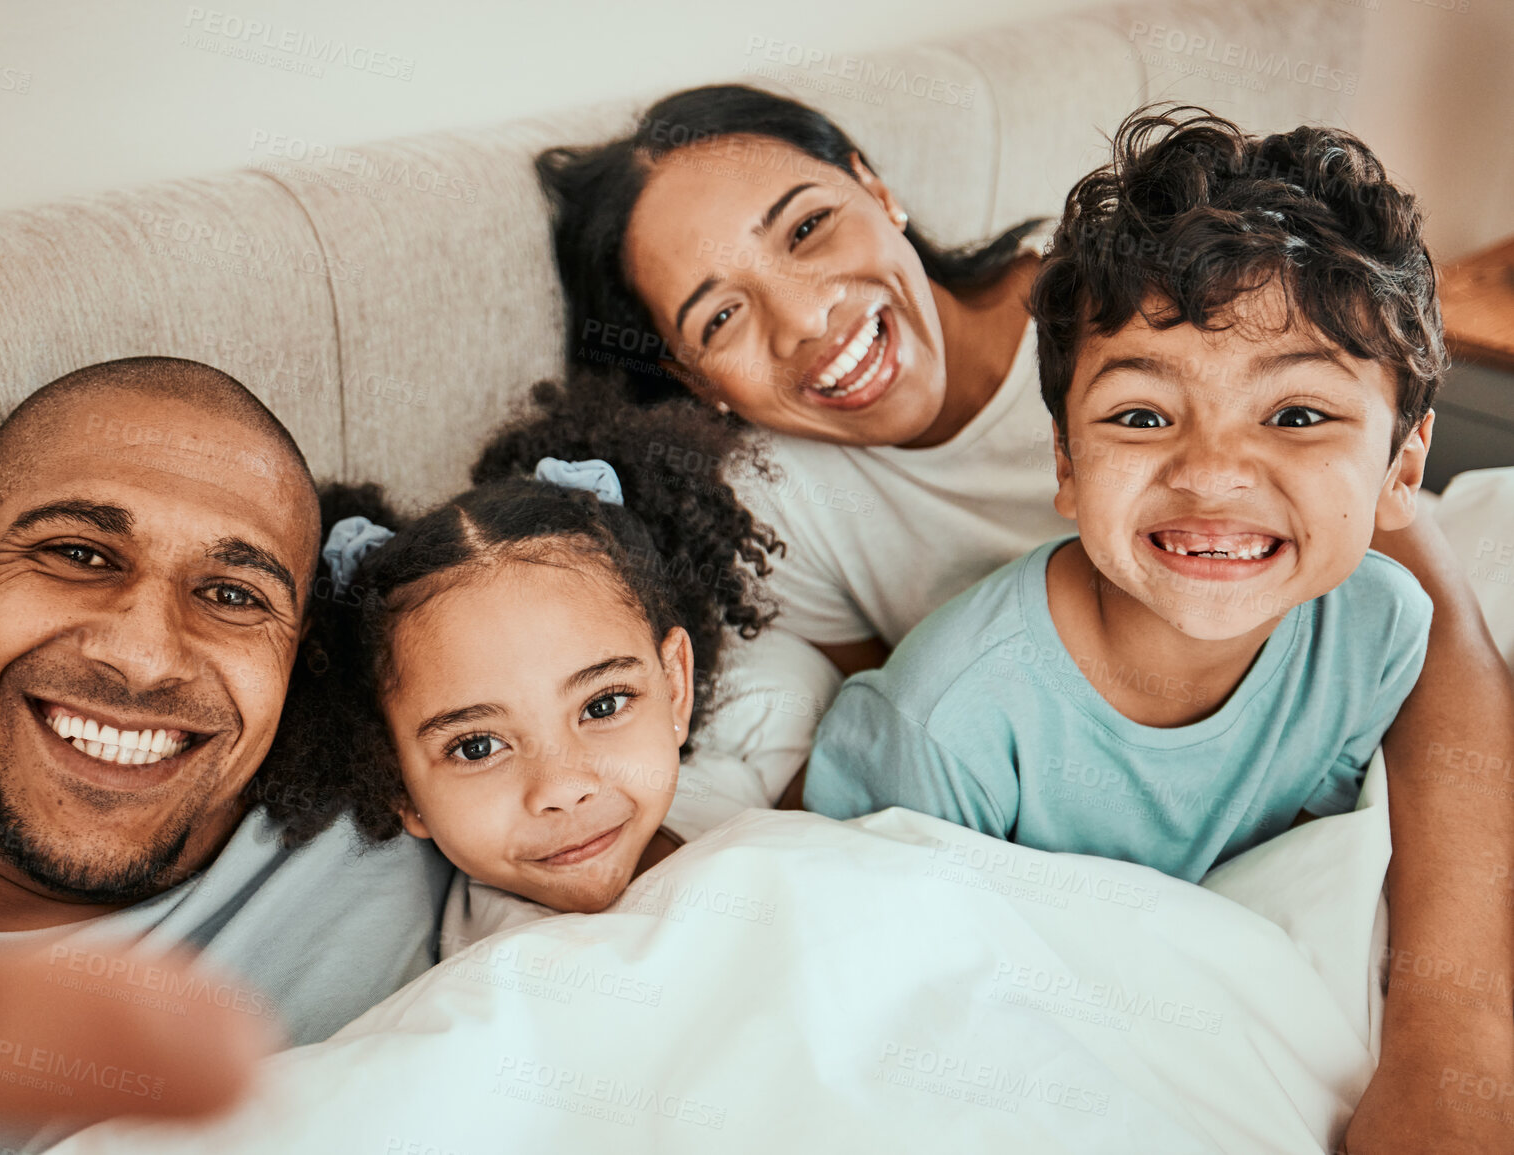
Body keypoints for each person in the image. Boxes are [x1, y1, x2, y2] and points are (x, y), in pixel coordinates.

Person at [537, 85, 1514, 1153]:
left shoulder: (1141, 288)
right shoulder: (781, 518)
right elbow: (874, 840)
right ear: (690, 378)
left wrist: (1453, 1033)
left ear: (876, 185)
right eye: (719, 314)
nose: (808, 316)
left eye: (807, 227)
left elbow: (1419, 610)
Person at [0, 357, 453, 1153]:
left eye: (232, 594)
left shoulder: (420, 805)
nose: (144, 655)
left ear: (295, 659)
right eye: (78, 553)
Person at [805, 110, 1435, 883]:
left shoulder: (1380, 629)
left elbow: (1296, 876)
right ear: (1065, 463)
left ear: (1401, 472)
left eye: (1296, 415)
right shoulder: (946, 721)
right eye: (1140, 416)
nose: (1209, 473)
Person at [278, 379, 778, 941]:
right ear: (398, 785)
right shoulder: (493, 987)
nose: (562, 788)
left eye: (604, 704)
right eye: (477, 746)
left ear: (675, 687)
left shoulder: (745, 792)